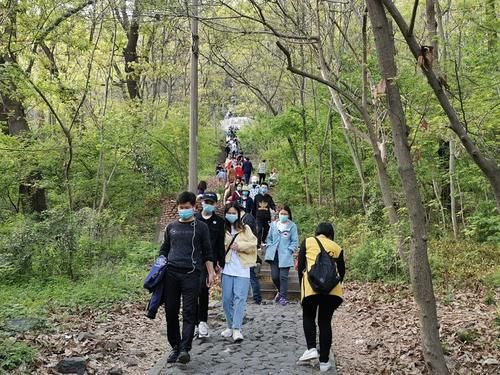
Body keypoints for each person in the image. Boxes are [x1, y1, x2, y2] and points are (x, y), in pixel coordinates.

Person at [159, 192, 216, 364]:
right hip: (171, 274)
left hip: (192, 274)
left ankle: (185, 348)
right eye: (181, 208)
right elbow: (164, 249)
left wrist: (211, 272)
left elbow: (207, 252)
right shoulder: (171, 228)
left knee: (190, 312)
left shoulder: (201, 228)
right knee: (170, 312)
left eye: (187, 207)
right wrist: (159, 263)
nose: (184, 210)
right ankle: (175, 346)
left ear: (194, 207)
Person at [297, 222, 345, 372]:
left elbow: (300, 267)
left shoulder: (308, 241)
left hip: (311, 288)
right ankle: (324, 362)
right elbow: (342, 272)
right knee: (325, 322)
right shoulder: (336, 247)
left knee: (309, 316)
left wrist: (302, 284)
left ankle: (311, 348)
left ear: (317, 232)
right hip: (332, 291)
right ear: (330, 234)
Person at [221, 203, 258, 342]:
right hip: (227, 268)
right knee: (226, 300)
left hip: (242, 268)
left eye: (233, 212)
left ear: (238, 214)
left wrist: (240, 246)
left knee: (240, 299)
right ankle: (230, 326)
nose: (231, 215)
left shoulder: (245, 228)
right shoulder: (222, 229)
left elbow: (254, 244)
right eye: (229, 212)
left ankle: (237, 328)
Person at [194, 192, 225, 339]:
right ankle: (193, 322)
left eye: (211, 202)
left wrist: (220, 262)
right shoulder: (194, 218)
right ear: (201, 202)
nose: (208, 204)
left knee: (202, 289)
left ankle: (202, 322)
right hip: (192, 260)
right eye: (206, 201)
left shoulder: (218, 221)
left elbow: (220, 243)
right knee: (191, 292)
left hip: (209, 261)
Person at [264, 206, 298, 306]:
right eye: (281, 213)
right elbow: (269, 237)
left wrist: (290, 250)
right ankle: (280, 291)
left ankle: (283, 297)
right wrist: (269, 245)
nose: (283, 215)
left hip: (285, 255)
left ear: (289, 215)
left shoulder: (292, 226)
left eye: (285, 214)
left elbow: (294, 241)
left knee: (283, 277)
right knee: (275, 277)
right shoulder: (274, 225)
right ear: (278, 214)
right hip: (274, 254)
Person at [236, 203, 262, 305]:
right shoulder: (245, 219)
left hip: (248, 250)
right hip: (244, 251)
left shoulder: (247, 219)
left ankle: (257, 297)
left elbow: (251, 237)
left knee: (251, 275)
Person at [252, 182, 275, 248]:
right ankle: (258, 243)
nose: (264, 189)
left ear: (267, 189)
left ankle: (263, 240)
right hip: (258, 216)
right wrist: (253, 215)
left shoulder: (269, 197)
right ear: (260, 188)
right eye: (262, 187)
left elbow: (272, 205)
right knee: (259, 230)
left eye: (265, 188)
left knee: (266, 229)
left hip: (267, 217)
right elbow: (254, 207)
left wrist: (274, 209)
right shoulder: (257, 197)